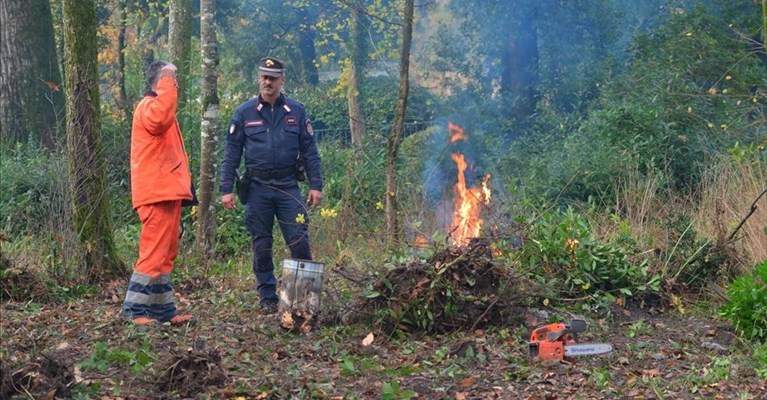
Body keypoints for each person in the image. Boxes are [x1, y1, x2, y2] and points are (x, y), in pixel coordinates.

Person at [220, 57, 324, 314]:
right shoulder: (244, 113)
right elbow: (231, 153)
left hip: (288, 186)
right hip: (257, 188)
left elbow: (310, 151)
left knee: (299, 240)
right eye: (264, 76)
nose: (268, 82)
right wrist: (226, 188)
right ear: (259, 79)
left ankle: (300, 301)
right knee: (261, 244)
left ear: (282, 80)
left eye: (273, 77)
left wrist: (316, 185)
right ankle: (267, 296)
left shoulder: (297, 111)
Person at [122, 61, 196, 325]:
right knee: (153, 254)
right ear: (161, 81)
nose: (175, 84)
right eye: (171, 79)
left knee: (165, 255)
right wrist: (166, 82)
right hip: (156, 193)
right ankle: (134, 310)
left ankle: (163, 311)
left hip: (166, 191)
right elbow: (162, 118)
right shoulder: (150, 107)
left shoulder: (156, 106)